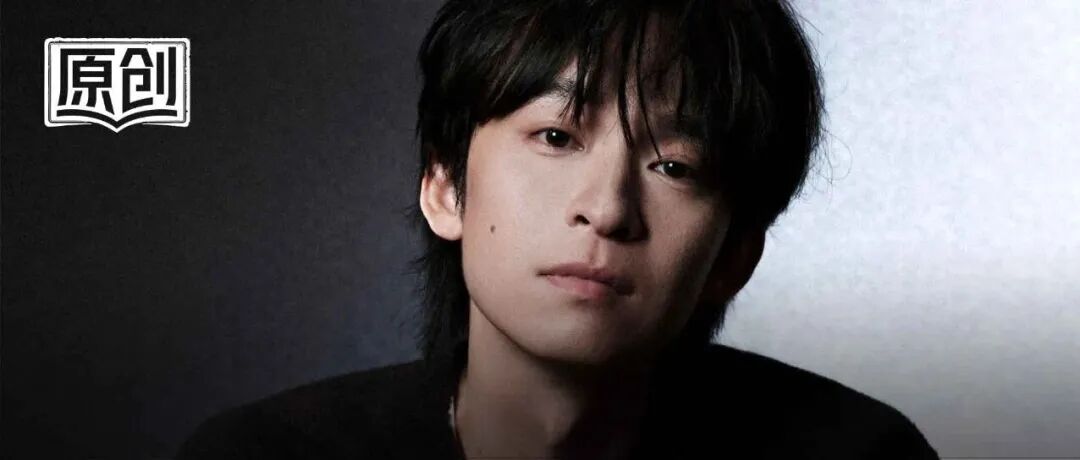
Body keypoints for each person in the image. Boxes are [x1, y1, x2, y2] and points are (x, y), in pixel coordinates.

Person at [176, 0, 940, 459]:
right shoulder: (266, 455)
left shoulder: (857, 454)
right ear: (445, 189)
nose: (605, 209)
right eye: (556, 136)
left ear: (735, 255)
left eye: (673, 166)